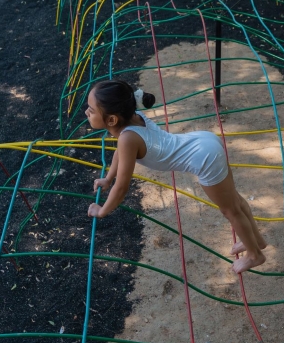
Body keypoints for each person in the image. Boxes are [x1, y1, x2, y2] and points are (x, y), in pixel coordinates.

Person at [84, 80, 267, 274]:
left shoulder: (127, 138)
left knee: (230, 210)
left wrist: (103, 211)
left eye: (91, 110)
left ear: (112, 120)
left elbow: (121, 189)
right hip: (202, 142)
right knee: (235, 201)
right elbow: (121, 153)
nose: (87, 113)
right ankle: (257, 241)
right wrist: (108, 178)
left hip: (204, 158)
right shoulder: (133, 118)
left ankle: (255, 256)